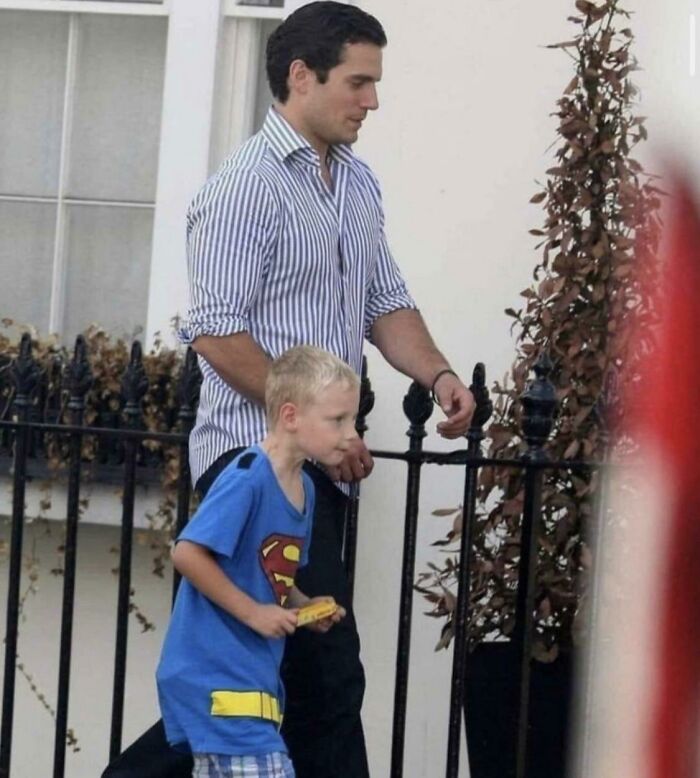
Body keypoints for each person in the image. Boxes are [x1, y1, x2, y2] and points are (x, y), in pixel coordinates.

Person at [102, 3, 476, 777]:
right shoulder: (246, 187)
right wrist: (312, 430)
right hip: (253, 469)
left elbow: (385, 303)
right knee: (319, 678)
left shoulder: (357, 184)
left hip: (316, 470)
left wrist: (437, 374)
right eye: (358, 82)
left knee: (273, 681)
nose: (372, 100)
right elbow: (216, 333)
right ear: (302, 76)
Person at [156, 346, 355, 778]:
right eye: (337, 420)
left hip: (253, 681)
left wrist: (303, 606)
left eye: (351, 420)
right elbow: (187, 553)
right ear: (290, 416)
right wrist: (254, 613)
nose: (350, 434)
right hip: (217, 677)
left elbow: (276, 575)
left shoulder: (305, 487)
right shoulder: (247, 476)